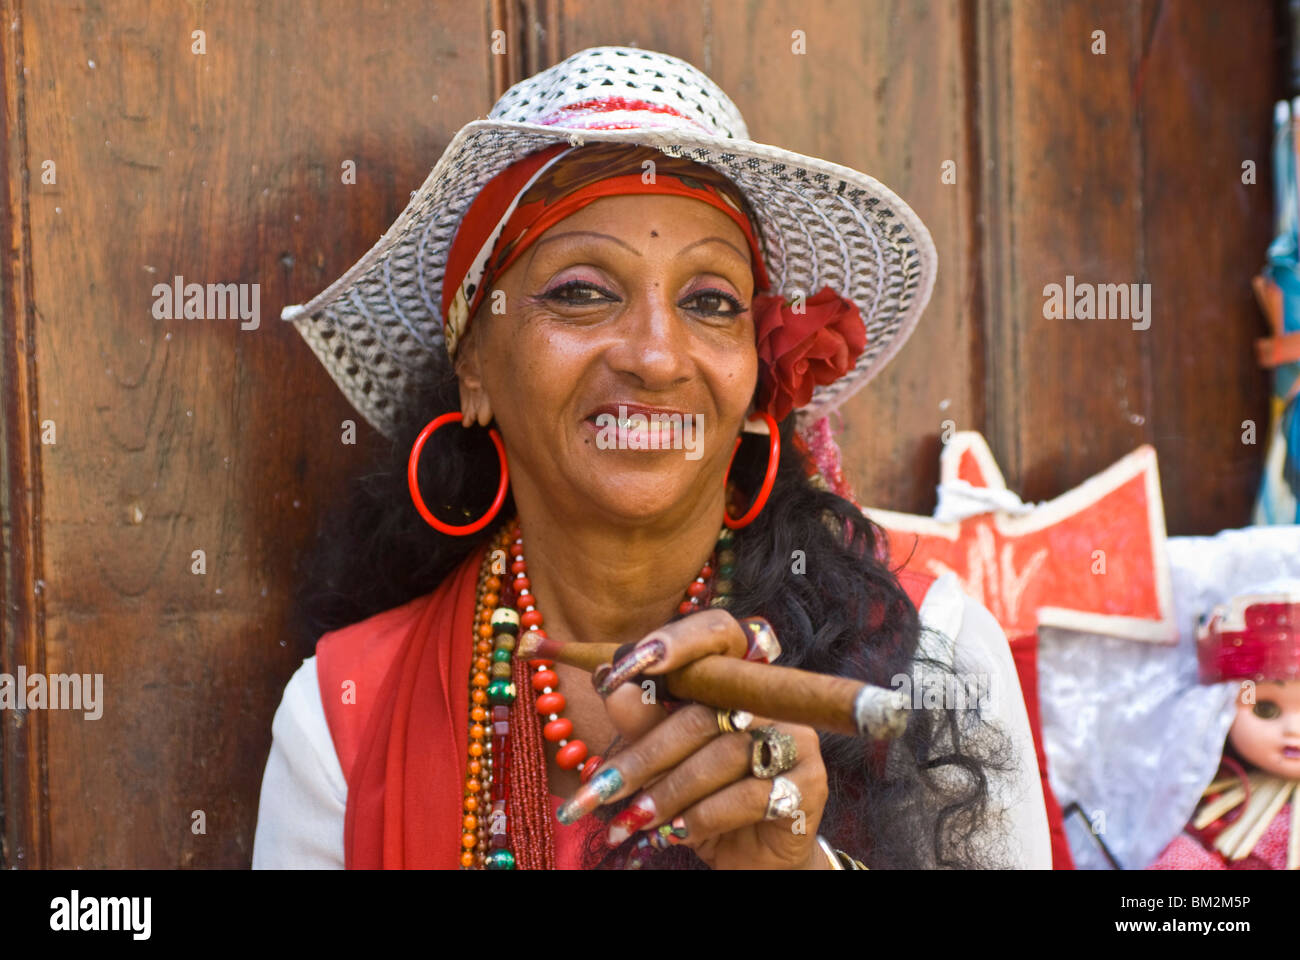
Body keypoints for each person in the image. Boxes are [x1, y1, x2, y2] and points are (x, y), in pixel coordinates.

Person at [254, 46, 1050, 870]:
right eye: (582, 292)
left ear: (755, 383)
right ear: (475, 367)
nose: (657, 357)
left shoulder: (927, 655)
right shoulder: (344, 713)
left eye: (710, 302)